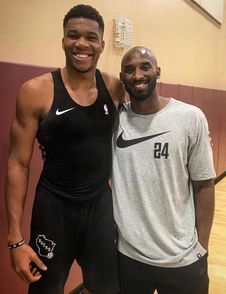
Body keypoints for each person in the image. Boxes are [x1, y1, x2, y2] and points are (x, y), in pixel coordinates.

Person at [5, 4, 124, 294]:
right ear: (63, 40)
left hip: (99, 205)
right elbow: (17, 164)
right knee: (45, 289)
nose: (81, 44)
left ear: (102, 44)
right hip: (53, 209)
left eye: (90, 37)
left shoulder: (114, 87)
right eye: (73, 35)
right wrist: (16, 239)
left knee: (109, 289)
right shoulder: (35, 91)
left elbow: (148, 117)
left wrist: (188, 131)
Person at [112, 46, 215, 294]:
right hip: (130, 257)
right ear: (122, 78)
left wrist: (202, 246)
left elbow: (204, 185)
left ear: (158, 72)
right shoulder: (114, 120)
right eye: (129, 70)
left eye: (145, 66)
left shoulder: (190, 117)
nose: (137, 75)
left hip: (183, 257)